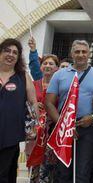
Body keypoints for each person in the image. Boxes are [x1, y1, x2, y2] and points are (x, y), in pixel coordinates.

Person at [46, 40, 93, 183]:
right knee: (63, 171)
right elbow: (48, 103)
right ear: (72, 53)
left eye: (84, 51)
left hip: (88, 128)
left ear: (89, 54)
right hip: (63, 128)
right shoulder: (59, 75)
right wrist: (63, 125)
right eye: (77, 51)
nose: (80, 55)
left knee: (83, 171)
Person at [0, 38, 38, 183]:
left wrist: (34, 126)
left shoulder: (23, 76)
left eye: (15, 52)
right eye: (7, 50)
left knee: (5, 174)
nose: (11, 55)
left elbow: (33, 102)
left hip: (12, 135)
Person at [27, 37, 61, 182]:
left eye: (51, 64)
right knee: (34, 166)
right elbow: (26, 103)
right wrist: (34, 105)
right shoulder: (33, 84)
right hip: (35, 132)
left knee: (49, 168)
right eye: (45, 63)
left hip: (52, 131)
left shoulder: (61, 85)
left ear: (57, 68)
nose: (47, 66)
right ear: (41, 67)